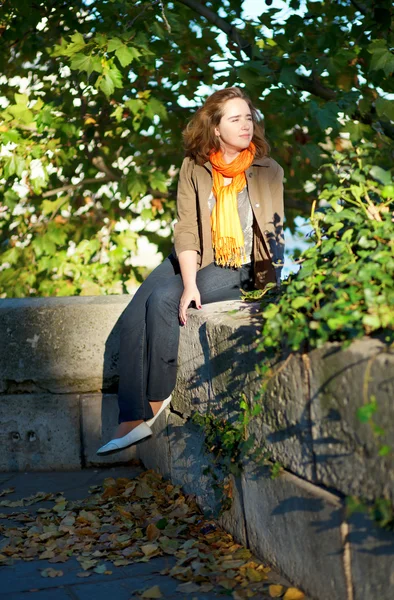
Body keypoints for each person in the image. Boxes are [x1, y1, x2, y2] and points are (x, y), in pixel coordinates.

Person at [97, 86, 285, 455]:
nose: (246, 125)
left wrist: (189, 289)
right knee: (135, 315)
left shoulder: (267, 170)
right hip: (196, 257)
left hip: (243, 265)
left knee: (166, 301)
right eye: (235, 119)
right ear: (215, 129)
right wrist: (190, 281)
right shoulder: (194, 168)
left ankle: (156, 399)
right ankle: (130, 417)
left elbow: (273, 234)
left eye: (248, 117)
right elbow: (185, 228)